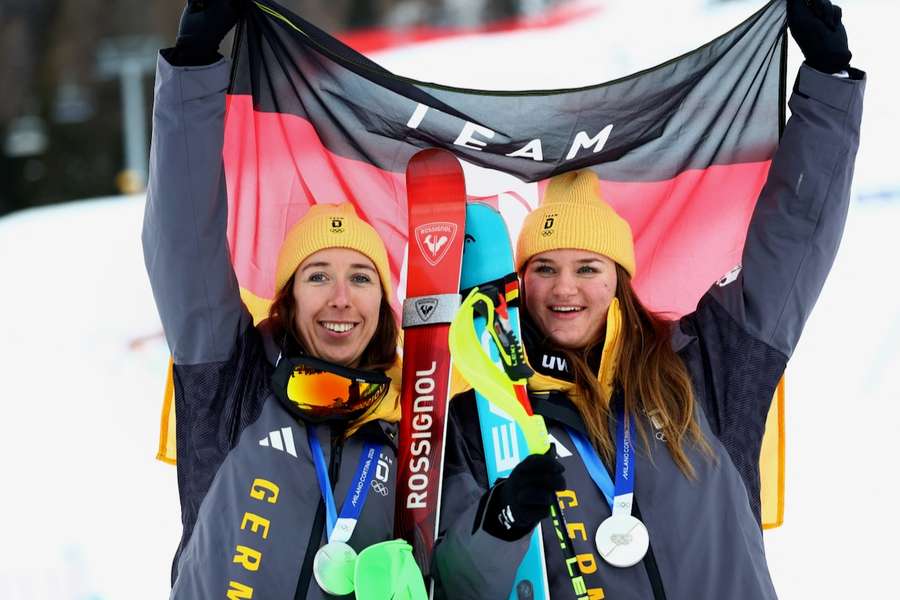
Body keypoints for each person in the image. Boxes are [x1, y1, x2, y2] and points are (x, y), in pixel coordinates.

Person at [432, 0, 865, 598]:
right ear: (520, 282)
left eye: (588, 267)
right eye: (545, 269)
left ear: (619, 281)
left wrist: (828, 85)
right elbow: (457, 584)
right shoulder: (484, 420)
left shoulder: (705, 368)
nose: (565, 288)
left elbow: (794, 237)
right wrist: (500, 526)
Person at [143, 2, 425, 598]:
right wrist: (194, 65)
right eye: (318, 276)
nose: (341, 299)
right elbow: (183, 239)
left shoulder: (412, 426)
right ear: (289, 297)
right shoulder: (233, 379)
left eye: (362, 278)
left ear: (384, 301)